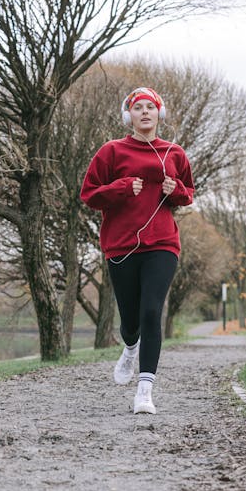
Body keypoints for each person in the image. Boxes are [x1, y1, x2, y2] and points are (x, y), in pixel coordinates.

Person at [80, 87, 195, 414]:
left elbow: (188, 194)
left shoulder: (174, 153)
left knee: (150, 312)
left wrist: (176, 191)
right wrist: (120, 188)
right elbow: (89, 195)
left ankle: (144, 391)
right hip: (122, 245)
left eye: (150, 107)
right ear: (128, 115)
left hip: (162, 244)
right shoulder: (111, 152)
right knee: (130, 319)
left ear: (160, 113)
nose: (144, 112)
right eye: (137, 107)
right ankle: (130, 348)